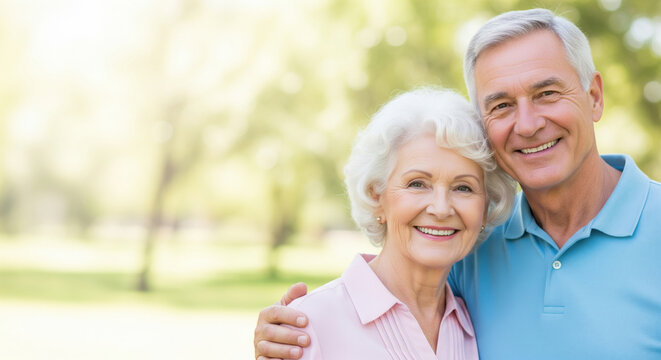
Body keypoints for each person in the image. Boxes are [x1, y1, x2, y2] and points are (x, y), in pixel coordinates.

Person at [254, 8, 661, 360]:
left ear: (594, 96)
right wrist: (286, 331)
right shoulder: (473, 248)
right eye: (501, 105)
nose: (528, 124)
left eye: (547, 93)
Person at [280, 87, 515, 359]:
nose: (441, 208)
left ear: (485, 208)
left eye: (463, 188)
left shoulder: (472, 328)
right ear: (376, 195)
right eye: (417, 184)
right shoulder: (307, 326)